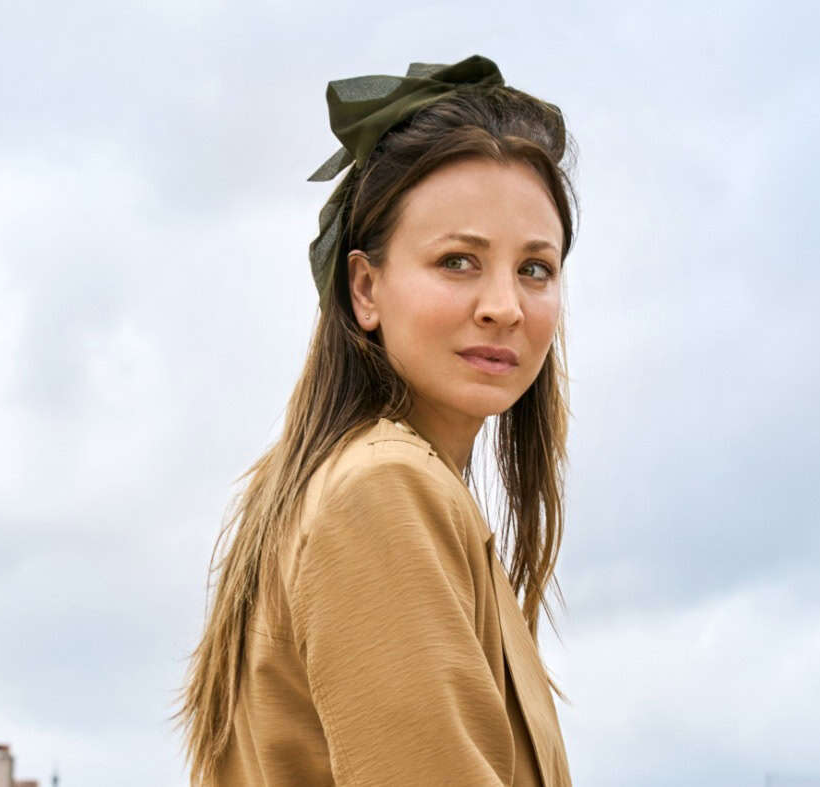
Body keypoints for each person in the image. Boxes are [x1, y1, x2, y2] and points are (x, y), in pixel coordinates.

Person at [178, 54, 577, 786]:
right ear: (365, 286)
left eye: (535, 268)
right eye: (458, 261)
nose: (505, 306)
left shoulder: (364, 484)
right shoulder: (381, 491)